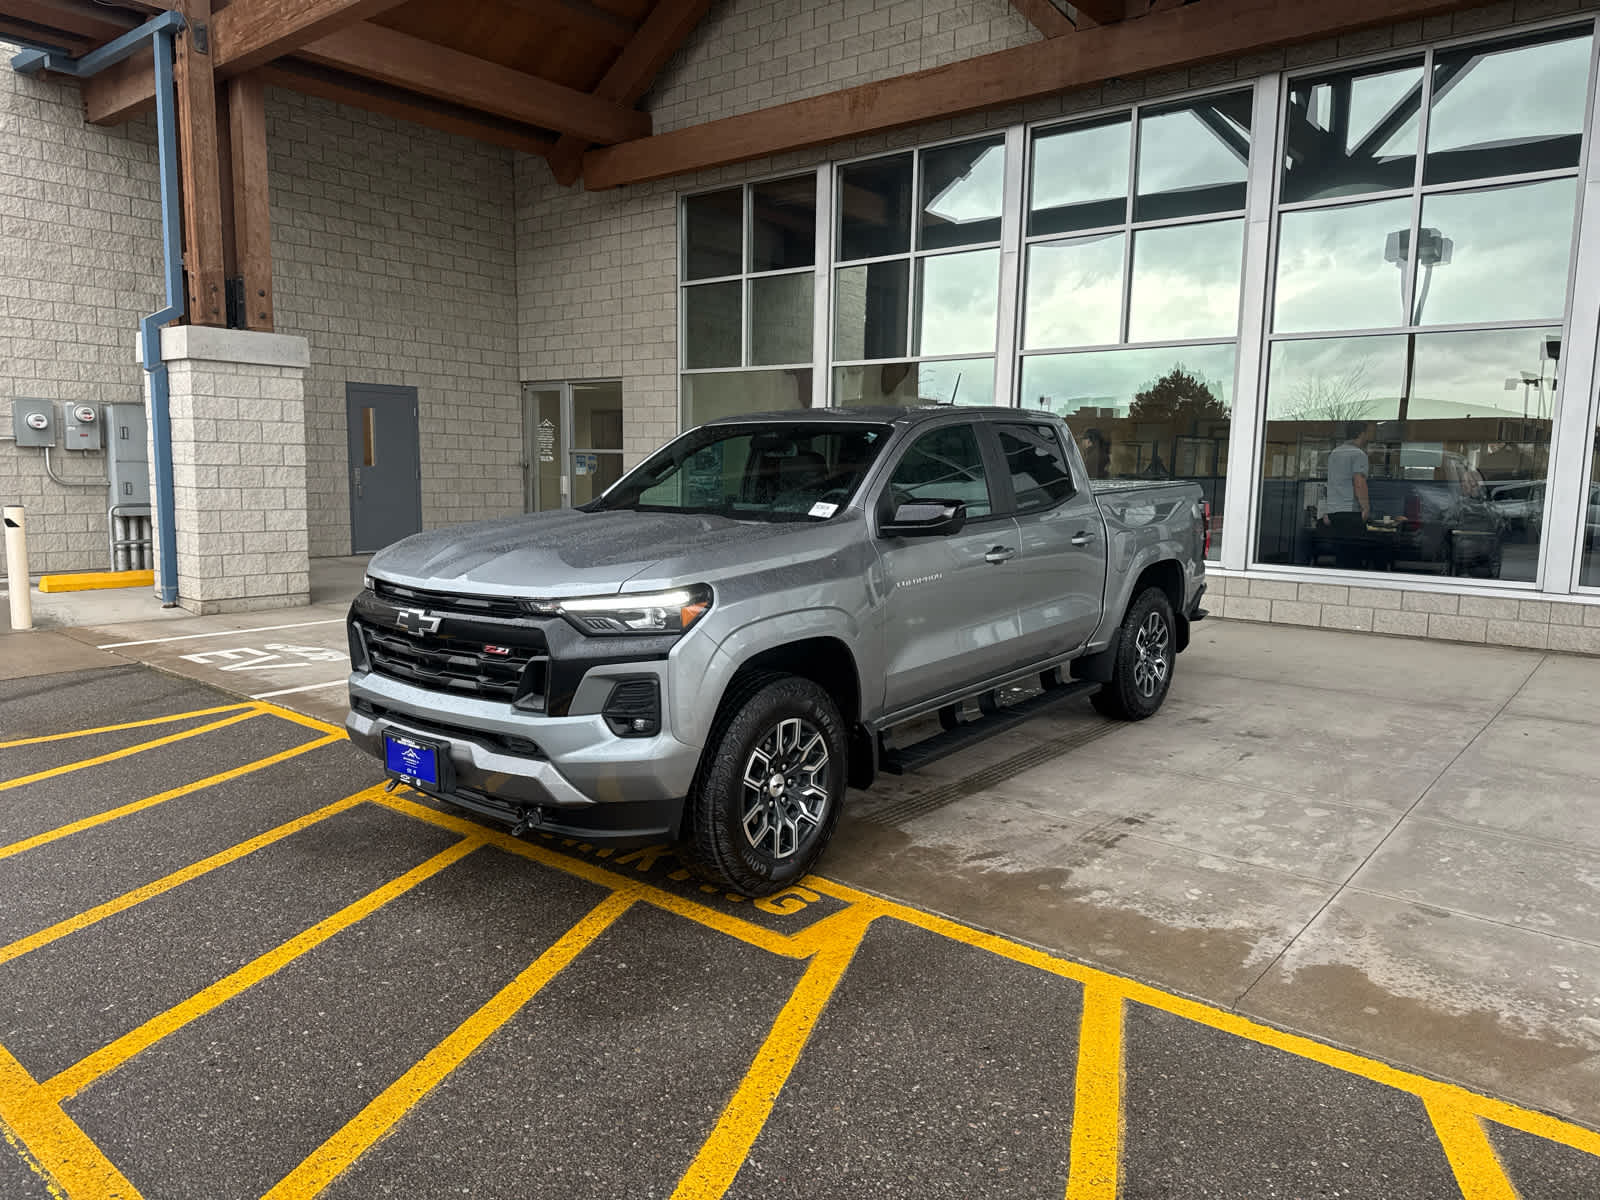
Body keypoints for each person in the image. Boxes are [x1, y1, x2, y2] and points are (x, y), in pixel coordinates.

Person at [1325, 420, 1374, 569]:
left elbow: (1332, 482)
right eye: (1367, 432)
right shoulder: (1358, 454)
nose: (1369, 436)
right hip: (1350, 513)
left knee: (1341, 558)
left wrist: (1327, 510)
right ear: (1361, 433)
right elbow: (1359, 481)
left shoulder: (1334, 453)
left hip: (1334, 512)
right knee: (1353, 560)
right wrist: (1365, 507)